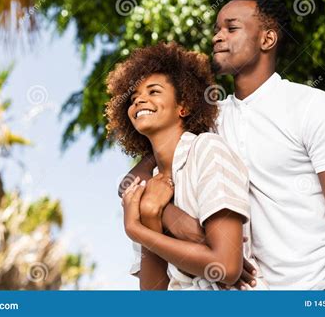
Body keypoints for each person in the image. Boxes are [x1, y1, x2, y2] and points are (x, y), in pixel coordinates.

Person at [120, 0, 325, 290]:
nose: (218, 37)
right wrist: (166, 214)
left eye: (231, 29)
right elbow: (134, 182)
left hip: (323, 287)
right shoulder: (209, 122)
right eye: (217, 29)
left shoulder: (314, 106)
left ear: (267, 39)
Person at [106, 42, 268, 290]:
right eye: (134, 97)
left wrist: (136, 230)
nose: (139, 101)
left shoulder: (208, 151)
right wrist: (149, 216)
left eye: (153, 91)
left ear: (184, 106)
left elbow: (225, 267)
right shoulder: (146, 191)